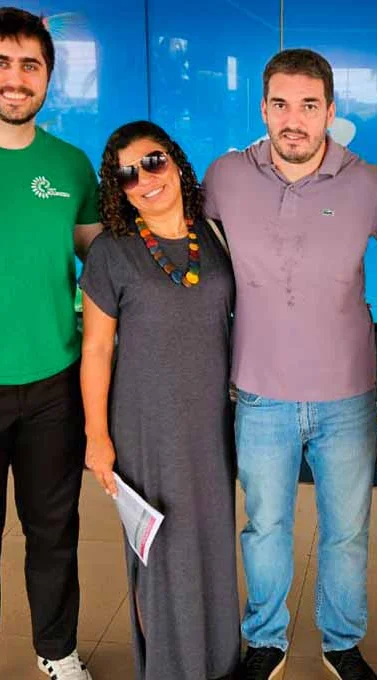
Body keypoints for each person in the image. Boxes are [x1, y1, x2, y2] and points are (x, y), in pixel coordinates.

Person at [202, 48, 377, 680]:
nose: (293, 120)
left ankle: (341, 643)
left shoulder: (369, 184)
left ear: (330, 111)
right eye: (280, 104)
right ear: (263, 109)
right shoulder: (226, 176)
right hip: (259, 392)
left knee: (347, 531)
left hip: (348, 394)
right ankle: (265, 641)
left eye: (308, 106)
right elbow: (189, 240)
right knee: (265, 526)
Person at [80, 121, 239, 680]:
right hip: (145, 426)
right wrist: (97, 437)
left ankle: (217, 662)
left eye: (153, 162)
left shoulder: (215, 235)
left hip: (210, 422)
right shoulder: (111, 252)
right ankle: (170, 668)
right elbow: (97, 349)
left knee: (212, 542)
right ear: (118, 189)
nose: (145, 179)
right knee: (160, 552)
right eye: (127, 174)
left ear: (175, 161)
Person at [0, 8, 101, 680]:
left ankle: (58, 651)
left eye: (29, 65)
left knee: (54, 531)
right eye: (2, 63)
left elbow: (103, 261)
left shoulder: (69, 164)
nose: (15, 78)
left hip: (53, 384)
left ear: (47, 77)